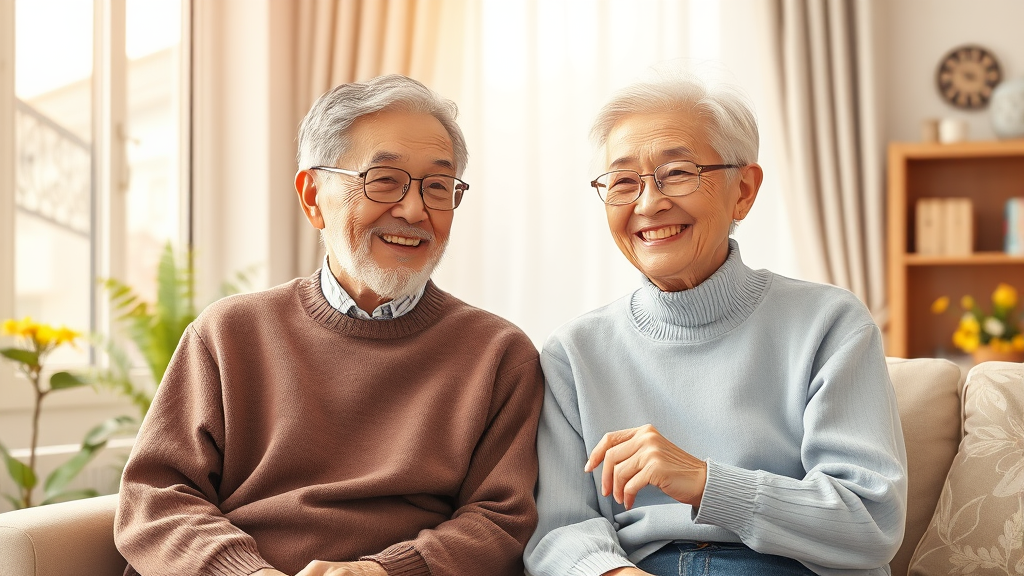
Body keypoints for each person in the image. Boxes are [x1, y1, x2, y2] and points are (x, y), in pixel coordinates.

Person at [114, 74, 544, 576]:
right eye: (384, 180)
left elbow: (503, 519)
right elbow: (154, 498)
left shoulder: (499, 353)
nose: (414, 209)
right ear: (313, 195)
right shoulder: (229, 334)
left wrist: (386, 572)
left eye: (438, 187)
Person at [524, 74, 907, 576]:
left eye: (677, 172)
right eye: (622, 182)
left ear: (743, 191)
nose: (647, 203)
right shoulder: (573, 352)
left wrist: (707, 483)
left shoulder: (830, 324)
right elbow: (558, 528)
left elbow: (871, 523)